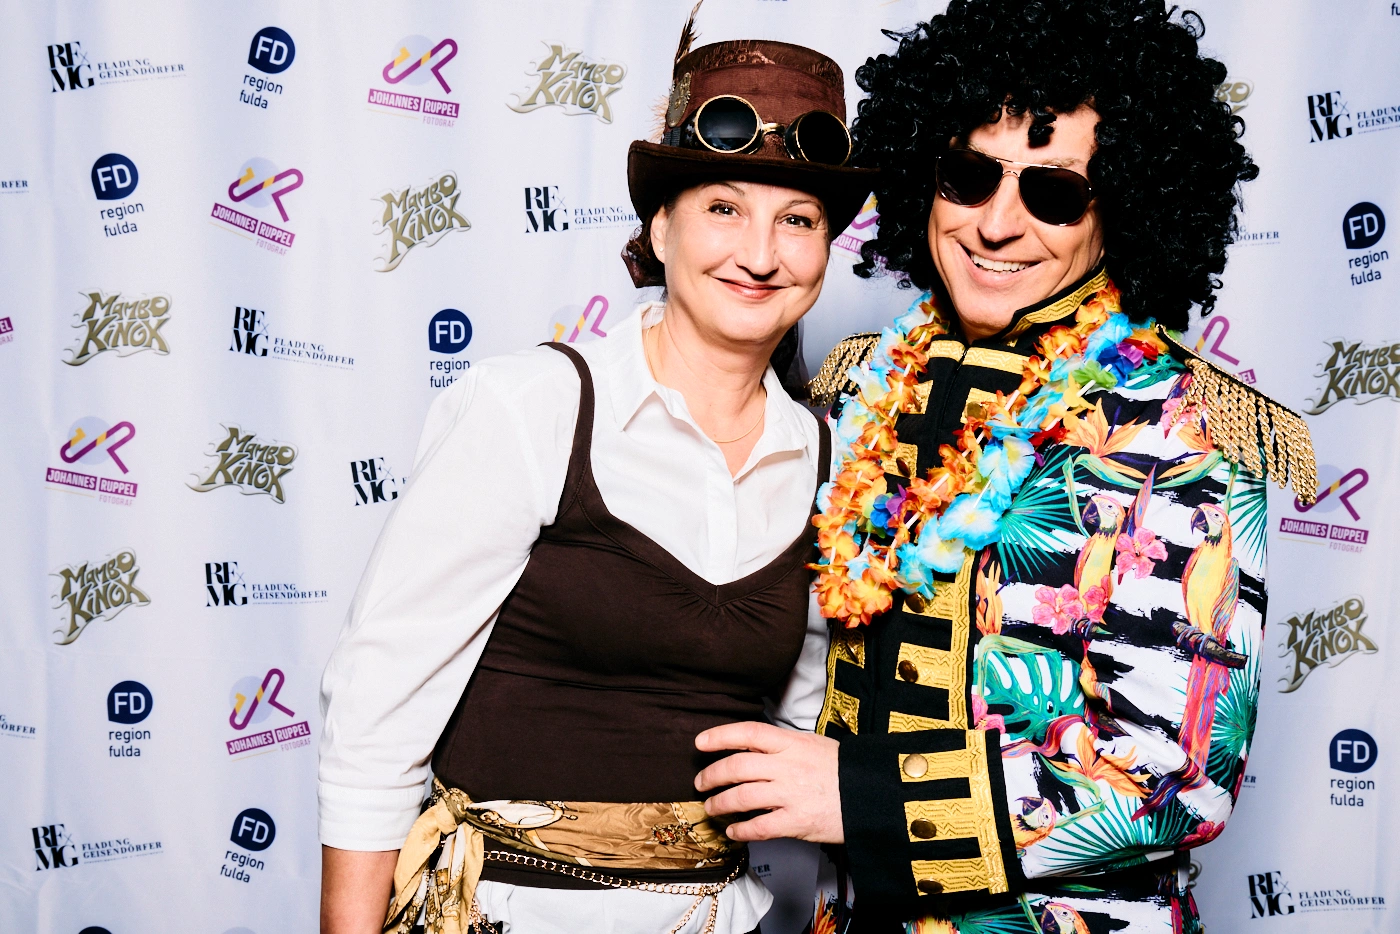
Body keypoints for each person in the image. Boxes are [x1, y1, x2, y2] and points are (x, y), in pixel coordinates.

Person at [692, 1, 1318, 931]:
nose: (996, 224)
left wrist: (864, 798)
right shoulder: (861, 384)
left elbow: (1177, 777)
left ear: (1123, 205)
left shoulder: (1187, 420)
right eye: (969, 176)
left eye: (1054, 193)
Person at [316, 18, 876, 934]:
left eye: (798, 220)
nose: (760, 253)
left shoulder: (834, 463)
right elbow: (377, 719)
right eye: (723, 208)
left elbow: (812, 723)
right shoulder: (533, 406)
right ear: (660, 226)